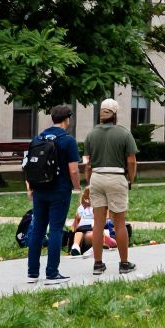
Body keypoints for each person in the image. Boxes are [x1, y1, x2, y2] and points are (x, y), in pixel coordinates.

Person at [26, 105, 82, 284]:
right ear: (67, 119)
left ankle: (32, 273)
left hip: (40, 189)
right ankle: (52, 272)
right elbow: (73, 170)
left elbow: (29, 164)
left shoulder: (38, 137)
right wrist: (77, 186)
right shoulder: (67, 140)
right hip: (60, 190)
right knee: (56, 229)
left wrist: (31, 187)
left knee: (38, 230)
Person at [84, 98, 137, 276]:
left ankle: (98, 264)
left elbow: (87, 163)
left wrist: (88, 182)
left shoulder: (91, 134)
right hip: (116, 177)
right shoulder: (124, 134)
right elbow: (131, 160)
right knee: (119, 224)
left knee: (98, 224)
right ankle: (123, 263)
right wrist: (131, 178)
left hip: (97, 178)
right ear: (115, 114)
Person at [70, 187, 95, 256]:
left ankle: (75, 246)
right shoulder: (97, 208)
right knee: (97, 234)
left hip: (81, 229)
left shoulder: (81, 207)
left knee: (78, 233)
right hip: (92, 228)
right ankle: (93, 248)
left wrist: (73, 231)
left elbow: (76, 222)